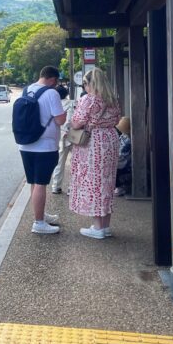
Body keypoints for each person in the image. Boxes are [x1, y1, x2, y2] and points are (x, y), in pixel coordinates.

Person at [69, 68, 121, 239]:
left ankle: (97, 228)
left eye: (85, 83)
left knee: (94, 182)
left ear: (90, 83)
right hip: (110, 139)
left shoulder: (89, 99)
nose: (84, 87)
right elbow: (117, 119)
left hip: (94, 142)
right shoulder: (112, 98)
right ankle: (105, 226)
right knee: (107, 182)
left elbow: (77, 123)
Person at [18, 66, 67, 235]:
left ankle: (40, 215)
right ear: (53, 79)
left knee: (34, 182)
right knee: (41, 183)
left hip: (25, 145)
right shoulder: (51, 93)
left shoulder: (27, 90)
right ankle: (39, 223)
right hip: (44, 147)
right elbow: (60, 120)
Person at [50, 85, 75, 195]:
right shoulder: (72, 103)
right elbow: (72, 119)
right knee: (75, 163)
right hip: (74, 136)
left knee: (58, 163)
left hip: (59, 136)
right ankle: (72, 188)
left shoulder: (54, 105)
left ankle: (56, 186)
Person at [114, 116, 132, 197]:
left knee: (114, 167)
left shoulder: (128, 141)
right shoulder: (123, 136)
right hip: (119, 158)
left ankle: (120, 186)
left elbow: (123, 155)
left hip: (123, 161)